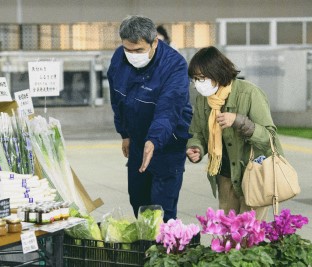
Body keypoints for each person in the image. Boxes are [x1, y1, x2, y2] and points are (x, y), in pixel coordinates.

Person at [107, 15, 193, 222]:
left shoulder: (175, 65)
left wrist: (154, 140)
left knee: (161, 209)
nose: (132, 55)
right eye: (128, 49)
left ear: (155, 42)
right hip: (138, 142)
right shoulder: (120, 58)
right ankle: (145, 249)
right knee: (138, 200)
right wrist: (124, 134)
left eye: (138, 50)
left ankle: (164, 251)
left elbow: (168, 109)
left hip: (168, 144)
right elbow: (117, 99)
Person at [186, 46, 284, 220]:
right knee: (227, 236)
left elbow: (269, 138)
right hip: (225, 175)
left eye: (202, 78)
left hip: (254, 174)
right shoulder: (203, 100)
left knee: (249, 236)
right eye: (195, 79)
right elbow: (198, 133)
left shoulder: (249, 93)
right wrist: (196, 148)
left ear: (218, 73)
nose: (198, 84)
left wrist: (239, 121)